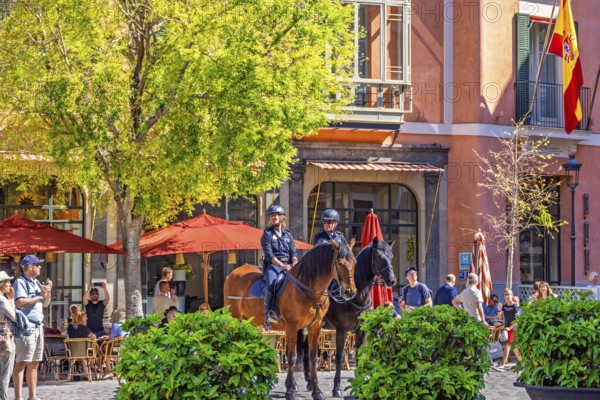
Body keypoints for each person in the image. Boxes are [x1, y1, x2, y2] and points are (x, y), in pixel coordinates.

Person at [13, 254, 52, 400]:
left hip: (38, 327)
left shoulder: (36, 282)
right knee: (22, 362)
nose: (40, 267)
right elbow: (20, 302)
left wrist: (47, 292)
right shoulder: (20, 282)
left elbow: (45, 304)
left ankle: (32, 396)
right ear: (30, 267)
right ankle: (18, 397)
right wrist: (39, 296)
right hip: (25, 328)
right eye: (38, 264)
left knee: (35, 363)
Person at [261, 205, 298, 327]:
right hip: (274, 266)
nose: (274, 218)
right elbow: (269, 255)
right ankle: (269, 314)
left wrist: (294, 262)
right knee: (272, 284)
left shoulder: (288, 235)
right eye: (272, 216)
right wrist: (283, 266)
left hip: (289, 265)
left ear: (282, 218)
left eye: (276, 215)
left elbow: (293, 252)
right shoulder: (267, 234)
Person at [492, 288, 522, 372]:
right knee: (514, 347)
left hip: (513, 329)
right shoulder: (504, 306)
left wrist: (510, 327)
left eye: (508, 294)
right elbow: (500, 318)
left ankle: (502, 365)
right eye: (505, 295)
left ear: (512, 295)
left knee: (506, 346)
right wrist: (499, 310)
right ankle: (522, 363)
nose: (507, 296)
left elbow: (517, 320)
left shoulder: (514, 306)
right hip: (506, 329)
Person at [0, 271, 16, 400]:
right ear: (2, 284)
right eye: (8, 282)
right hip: (4, 338)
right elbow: (14, 317)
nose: (10, 284)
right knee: (6, 371)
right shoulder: (2, 300)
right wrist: (11, 300)